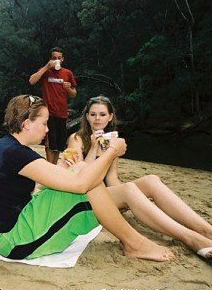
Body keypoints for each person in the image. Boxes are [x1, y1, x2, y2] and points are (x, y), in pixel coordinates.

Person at [0, 94, 174, 261]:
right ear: (27, 124)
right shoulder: (16, 153)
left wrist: (64, 167)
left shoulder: (8, 147)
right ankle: (134, 243)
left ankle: (138, 241)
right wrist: (112, 151)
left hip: (6, 230)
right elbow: (82, 185)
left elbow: (26, 188)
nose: (47, 129)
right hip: (13, 241)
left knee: (81, 169)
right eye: (44, 123)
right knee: (89, 183)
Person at [67, 95, 212, 263]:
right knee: (128, 190)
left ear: (110, 117)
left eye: (102, 114)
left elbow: (112, 179)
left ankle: (206, 231)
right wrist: (93, 148)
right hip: (87, 195)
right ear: (86, 117)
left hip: (108, 194)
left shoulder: (112, 140)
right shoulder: (76, 139)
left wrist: (132, 197)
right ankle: (190, 238)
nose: (97, 118)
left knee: (151, 180)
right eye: (93, 114)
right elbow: (79, 178)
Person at [29, 47, 77, 164]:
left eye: (59, 58)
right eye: (54, 58)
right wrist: (46, 66)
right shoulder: (46, 71)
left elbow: (74, 94)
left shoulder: (67, 73)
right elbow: (31, 81)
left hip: (62, 113)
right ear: (50, 59)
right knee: (50, 145)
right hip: (48, 113)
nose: (57, 60)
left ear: (63, 59)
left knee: (59, 146)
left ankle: (53, 167)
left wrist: (69, 88)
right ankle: (50, 168)